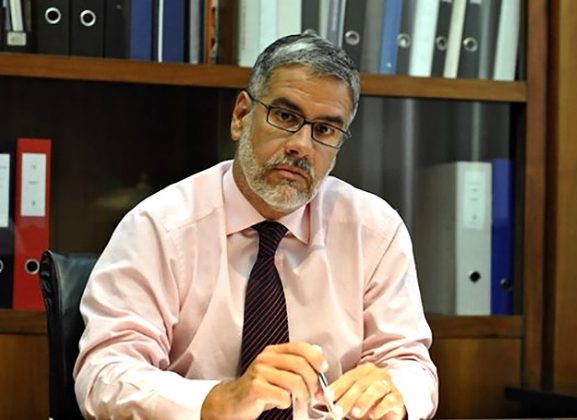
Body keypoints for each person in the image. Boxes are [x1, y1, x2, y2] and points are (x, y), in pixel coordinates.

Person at [74, 34, 439, 419]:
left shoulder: (375, 231)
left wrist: (395, 393)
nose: (302, 145)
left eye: (325, 130)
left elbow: (411, 364)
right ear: (241, 116)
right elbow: (103, 375)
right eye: (285, 117)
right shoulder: (160, 227)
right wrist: (220, 400)